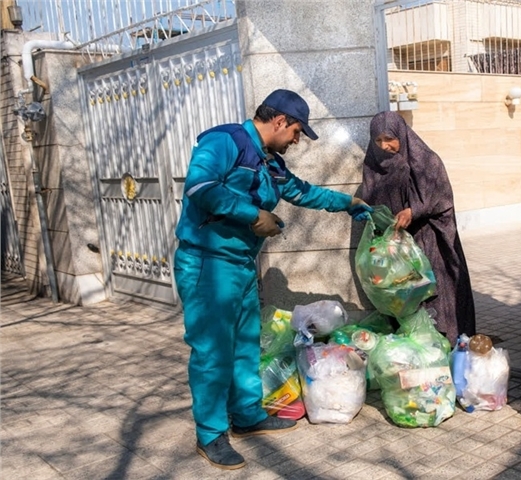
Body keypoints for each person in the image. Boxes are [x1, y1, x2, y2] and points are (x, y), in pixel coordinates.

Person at [174, 89, 372, 470]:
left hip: (240, 265)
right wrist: (252, 215)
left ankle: (247, 416)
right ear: (280, 121)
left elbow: (300, 192)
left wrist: (347, 203)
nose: (297, 140)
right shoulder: (225, 141)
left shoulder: (270, 162)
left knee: (246, 343)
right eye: (297, 131)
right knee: (213, 351)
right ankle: (211, 434)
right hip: (207, 265)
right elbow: (199, 187)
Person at [360, 111, 475, 345]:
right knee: (403, 302)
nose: (384, 146)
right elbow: (370, 201)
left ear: (402, 135)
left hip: (429, 242)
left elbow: (442, 197)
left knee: (438, 298)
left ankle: (450, 349)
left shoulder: (426, 161)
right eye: (378, 140)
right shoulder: (373, 165)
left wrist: (414, 210)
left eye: (389, 138)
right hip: (396, 252)